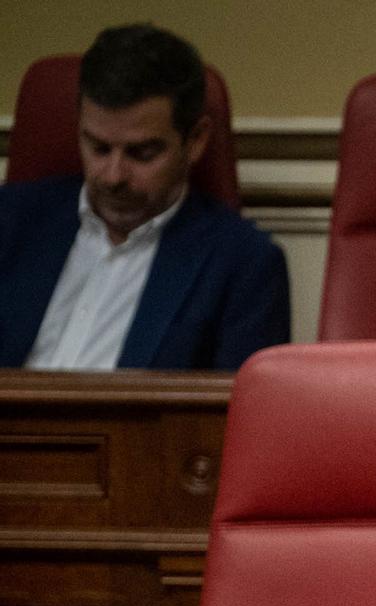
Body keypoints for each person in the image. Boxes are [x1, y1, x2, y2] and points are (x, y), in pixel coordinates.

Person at [0, 23, 289, 371]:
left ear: (195, 140)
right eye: (99, 148)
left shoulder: (243, 264)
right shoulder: (10, 221)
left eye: (142, 153)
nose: (113, 176)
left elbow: (238, 417)